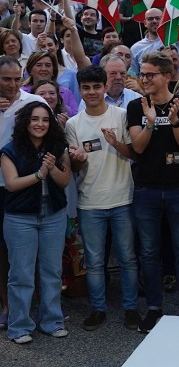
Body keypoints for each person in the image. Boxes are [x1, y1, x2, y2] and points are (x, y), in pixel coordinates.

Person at [126, 51, 179, 332]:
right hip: (147, 189)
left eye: (150, 74)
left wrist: (175, 119)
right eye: (142, 74)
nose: (144, 79)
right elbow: (139, 147)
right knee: (149, 252)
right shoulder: (135, 107)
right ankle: (154, 308)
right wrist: (152, 121)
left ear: (167, 77)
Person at [66, 66, 140, 332]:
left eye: (96, 86)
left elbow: (134, 152)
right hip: (90, 203)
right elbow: (74, 169)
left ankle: (131, 308)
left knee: (128, 258)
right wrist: (77, 160)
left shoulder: (121, 115)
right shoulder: (73, 124)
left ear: (104, 87)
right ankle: (98, 309)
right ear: (81, 91)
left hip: (122, 199)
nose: (92, 92)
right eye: (86, 87)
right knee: (95, 262)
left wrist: (115, 143)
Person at [2, 101, 72, 343]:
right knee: (21, 274)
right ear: (25, 122)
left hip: (53, 217)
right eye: (34, 119)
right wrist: (38, 175)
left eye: (44, 119)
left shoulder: (58, 147)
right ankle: (19, 327)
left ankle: (52, 322)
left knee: (52, 271)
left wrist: (51, 170)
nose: (40, 124)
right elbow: (11, 184)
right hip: (20, 219)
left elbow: (64, 182)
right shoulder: (10, 150)